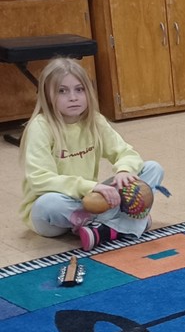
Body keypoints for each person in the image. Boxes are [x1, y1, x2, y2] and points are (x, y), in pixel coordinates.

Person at [19, 57, 165, 252]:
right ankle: (125, 225)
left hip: (91, 202)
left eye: (79, 89)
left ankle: (101, 230)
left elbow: (126, 153)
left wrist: (123, 170)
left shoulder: (94, 120)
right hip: (56, 213)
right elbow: (40, 180)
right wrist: (91, 187)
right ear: (47, 95)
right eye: (62, 91)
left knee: (153, 169)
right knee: (48, 203)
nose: (73, 97)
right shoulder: (41, 127)